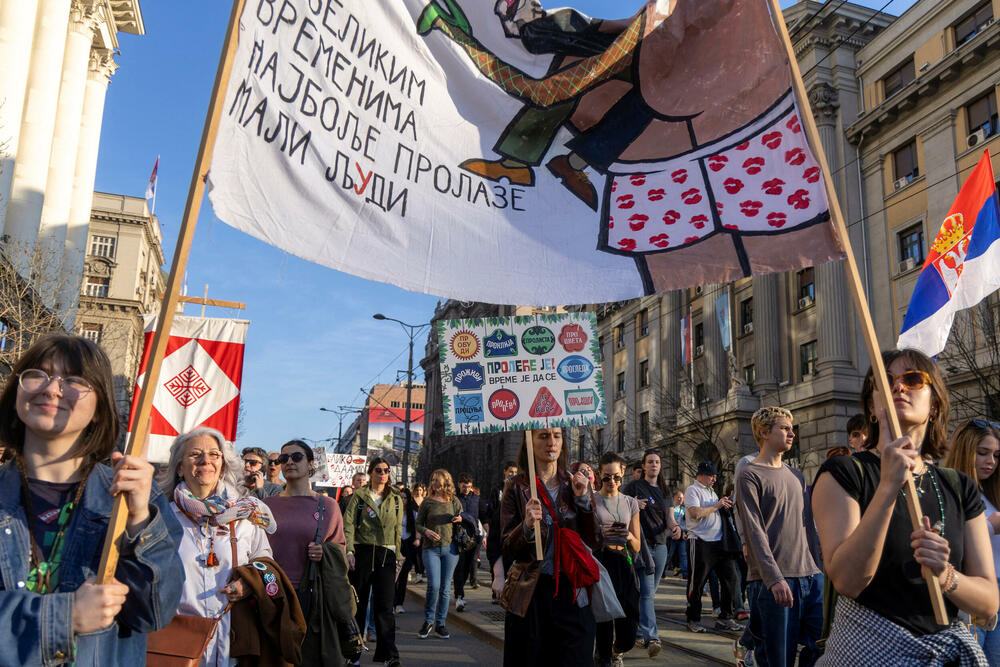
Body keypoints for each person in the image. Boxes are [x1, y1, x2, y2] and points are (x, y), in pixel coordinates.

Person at [0, 333, 183, 665]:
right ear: (17, 392)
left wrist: (139, 518)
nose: (52, 388)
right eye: (37, 374)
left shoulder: (133, 498)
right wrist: (62, 617)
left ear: (100, 408)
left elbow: (154, 613)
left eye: (74, 380)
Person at [812, 350, 997, 664]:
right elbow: (848, 581)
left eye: (912, 380)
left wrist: (945, 576)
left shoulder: (958, 486)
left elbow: (989, 602)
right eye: (885, 381)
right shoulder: (843, 474)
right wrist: (887, 487)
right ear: (872, 406)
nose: (898, 388)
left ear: (934, 403)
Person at [160, 427, 277, 666]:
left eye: (214, 454)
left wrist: (248, 583)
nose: (206, 460)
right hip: (176, 643)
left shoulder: (246, 515)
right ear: (180, 467)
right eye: (195, 455)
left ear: (223, 466)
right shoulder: (162, 518)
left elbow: (265, 561)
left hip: (232, 642)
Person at [501, 427, 597, 667]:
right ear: (529, 441)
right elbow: (506, 547)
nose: (551, 442)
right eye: (543, 436)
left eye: (557, 435)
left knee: (577, 658)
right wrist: (525, 526)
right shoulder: (515, 487)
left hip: (571, 589)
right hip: (531, 591)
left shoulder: (575, 483)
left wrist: (584, 501)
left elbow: (595, 540)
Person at [737, 407, 823, 667]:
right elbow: (754, 531)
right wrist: (774, 579)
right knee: (778, 659)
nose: (792, 433)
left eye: (791, 428)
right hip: (772, 582)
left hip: (811, 577)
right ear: (763, 433)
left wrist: (821, 569)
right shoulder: (749, 474)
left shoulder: (797, 476)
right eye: (784, 428)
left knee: (819, 649)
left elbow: (809, 526)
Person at [262, 440, 347, 665]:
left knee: (307, 657)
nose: (289, 462)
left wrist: (325, 552)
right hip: (272, 594)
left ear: (311, 464)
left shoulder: (328, 506)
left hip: (311, 595)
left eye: (296, 457)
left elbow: (340, 548)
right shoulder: (264, 505)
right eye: (284, 458)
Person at [943, 418, 1000, 663]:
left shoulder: (991, 493)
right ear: (966, 451)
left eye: (997, 455)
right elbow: (950, 544)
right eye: (983, 453)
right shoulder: (951, 491)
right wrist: (989, 526)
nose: (991, 462)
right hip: (969, 597)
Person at [343, 457, 404, 667]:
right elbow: (348, 525)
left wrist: (397, 557)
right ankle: (354, 654)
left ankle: (390, 655)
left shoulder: (396, 499)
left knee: (385, 606)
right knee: (358, 606)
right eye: (378, 470)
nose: (383, 474)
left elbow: (398, 530)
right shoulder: (359, 497)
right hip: (362, 552)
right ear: (371, 473)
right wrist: (349, 551)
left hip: (386, 554)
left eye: (386, 470)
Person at [623, 449, 680, 655]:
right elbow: (618, 504)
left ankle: (638, 630)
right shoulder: (634, 486)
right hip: (642, 545)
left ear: (660, 466)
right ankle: (653, 637)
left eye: (657, 462)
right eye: (650, 462)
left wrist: (676, 527)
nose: (654, 465)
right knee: (647, 593)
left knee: (649, 593)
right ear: (644, 466)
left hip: (661, 546)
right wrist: (633, 504)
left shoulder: (665, 491)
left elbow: (670, 518)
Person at [593, 452, 641, 667]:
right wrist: (601, 535)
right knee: (603, 623)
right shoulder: (592, 501)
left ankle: (617, 649)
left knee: (629, 629)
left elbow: (638, 545)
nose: (611, 482)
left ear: (623, 474)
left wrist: (628, 535)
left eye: (616, 477)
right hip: (601, 562)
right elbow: (584, 539)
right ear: (599, 476)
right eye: (606, 477)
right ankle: (603, 657)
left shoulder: (630, 503)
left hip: (624, 561)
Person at [684, 461, 743, 634]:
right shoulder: (692, 490)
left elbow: (713, 511)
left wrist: (724, 506)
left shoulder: (711, 491)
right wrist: (717, 505)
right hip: (700, 541)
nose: (714, 479)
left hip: (719, 543)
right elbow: (696, 513)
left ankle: (726, 616)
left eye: (715, 476)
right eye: (711, 475)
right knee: (698, 582)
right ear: (701, 475)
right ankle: (693, 618)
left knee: (730, 579)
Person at [415, 469, 463, 639]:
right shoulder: (427, 502)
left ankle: (440, 624)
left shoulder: (454, 501)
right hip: (431, 549)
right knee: (434, 585)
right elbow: (418, 524)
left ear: (446, 482)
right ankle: (428, 621)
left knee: (445, 588)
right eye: (433, 480)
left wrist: (460, 519)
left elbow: (462, 519)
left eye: (438, 480)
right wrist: (426, 531)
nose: (435, 484)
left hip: (451, 550)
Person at [485, 461, 518, 602]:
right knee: (500, 562)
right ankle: (497, 592)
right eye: (510, 471)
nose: (513, 475)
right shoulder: (497, 489)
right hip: (499, 531)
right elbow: (490, 510)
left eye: (515, 472)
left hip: (515, 539)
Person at [453, 472, 481, 612]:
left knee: (467, 568)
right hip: (458, 538)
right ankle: (459, 595)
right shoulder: (454, 499)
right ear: (459, 485)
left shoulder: (476, 498)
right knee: (459, 567)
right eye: (464, 487)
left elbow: (482, 515)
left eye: (469, 487)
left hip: (474, 538)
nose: (467, 489)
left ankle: (460, 592)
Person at [393, 486, 420, 614]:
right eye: (401, 497)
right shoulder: (393, 510)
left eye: (405, 498)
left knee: (403, 575)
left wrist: (417, 539)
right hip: (395, 543)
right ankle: (391, 602)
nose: (403, 500)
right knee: (393, 575)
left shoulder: (413, 513)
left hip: (408, 544)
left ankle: (399, 603)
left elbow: (418, 528)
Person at [668, 490, 689, 578]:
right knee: (669, 554)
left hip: (682, 535)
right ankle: (662, 572)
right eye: (679, 497)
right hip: (671, 535)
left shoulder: (684, 509)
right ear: (674, 498)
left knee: (683, 554)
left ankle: (685, 573)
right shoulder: (670, 508)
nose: (681, 499)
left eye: (682, 498)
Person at [411, 483, 427, 583]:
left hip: (424, 530)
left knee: (422, 552)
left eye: (420, 490)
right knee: (415, 552)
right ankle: (418, 571)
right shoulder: (411, 502)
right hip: (413, 530)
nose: (418, 492)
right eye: (417, 490)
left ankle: (420, 572)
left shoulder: (425, 502)